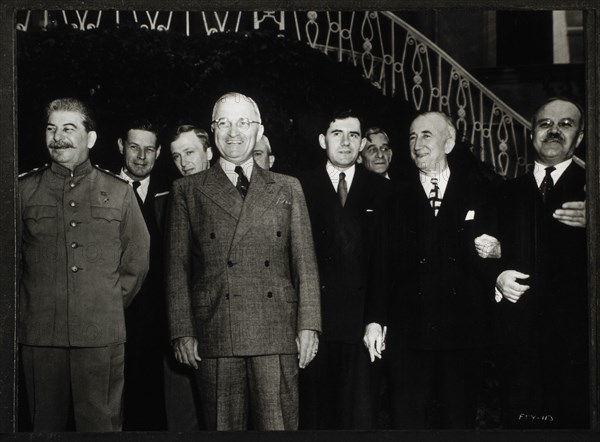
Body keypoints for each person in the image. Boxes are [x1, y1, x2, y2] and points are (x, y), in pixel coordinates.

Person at [165, 92, 321, 431]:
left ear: (259, 130)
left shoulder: (287, 187)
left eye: (242, 123)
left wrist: (309, 325)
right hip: (216, 331)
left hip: (277, 331)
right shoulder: (187, 190)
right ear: (213, 129)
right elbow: (177, 269)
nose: (233, 132)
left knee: (279, 426)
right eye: (223, 123)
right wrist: (182, 331)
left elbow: (305, 264)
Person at [18, 97, 149, 432]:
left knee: (102, 425)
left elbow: (136, 260)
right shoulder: (22, 190)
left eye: (68, 128)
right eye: (51, 129)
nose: (57, 137)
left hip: (101, 336)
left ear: (90, 138)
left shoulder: (118, 192)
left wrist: (105, 303)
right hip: (41, 336)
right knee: (43, 426)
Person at [367, 112, 497, 429]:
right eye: (412, 137)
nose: (417, 143)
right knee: (406, 420)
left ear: (448, 142)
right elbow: (380, 265)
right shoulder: (393, 198)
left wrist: (498, 253)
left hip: (462, 334)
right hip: (408, 336)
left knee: (459, 420)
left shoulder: (481, 192)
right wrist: (375, 319)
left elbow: (499, 254)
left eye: (426, 135)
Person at [491, 97, 588, 429]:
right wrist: (498, 275)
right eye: (546, 124)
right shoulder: (505, 192)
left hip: (579, 344)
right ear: (531, 133)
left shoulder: (594, 188)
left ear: (581, 136)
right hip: (518, 342)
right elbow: (486, 252)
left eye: (566, 124)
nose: (554, 131)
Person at [297, 109, 391, 429]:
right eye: (338, 134)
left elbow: (383, 262)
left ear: (363, 142)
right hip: (314, 324)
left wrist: (376, 319)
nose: (346, 142)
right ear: (323, 140)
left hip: (360, 327)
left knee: (359, 418)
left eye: (353, 135)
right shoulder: (299, 186)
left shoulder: (380, 189)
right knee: (314, 417)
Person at [116, 118, 169, 430]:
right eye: (134, 147)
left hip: (156, 327)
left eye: (149, 149)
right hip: (116, 318)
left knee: (152, 409)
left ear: (158, 152)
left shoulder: (170, 195)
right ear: (121, 146)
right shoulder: (106, 189)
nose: (141, 156)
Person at [163, 123, 214, 431]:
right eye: (177, 156)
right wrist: (183, 331)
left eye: (190, 152)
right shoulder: (171, 200)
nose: (184, 162)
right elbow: (175, 273)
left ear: (209, 151)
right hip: (193, 332)